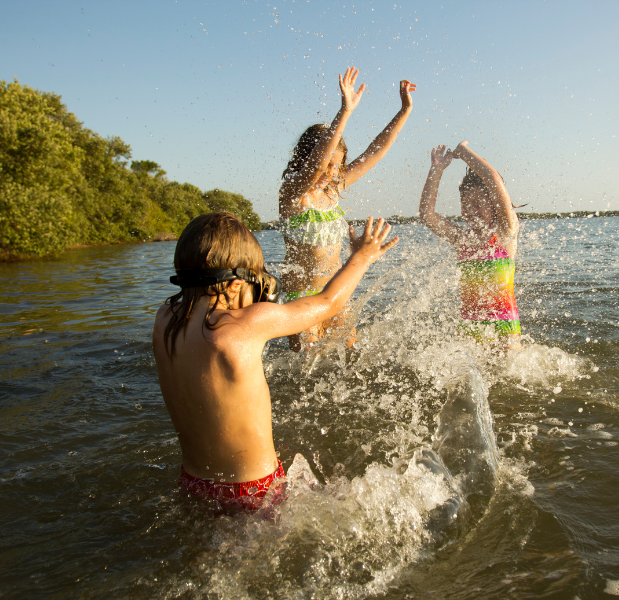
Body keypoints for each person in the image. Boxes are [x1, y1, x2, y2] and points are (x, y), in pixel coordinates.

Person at [152, 211, 398, 511]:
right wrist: (362, 256)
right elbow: (327, 303)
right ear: (233, 284)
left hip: (194, 483)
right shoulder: (242, 325)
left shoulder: (164, 320)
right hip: (254, 489)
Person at [279, 66, 415, 351]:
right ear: (306, 159)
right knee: (308, 367)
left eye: (337, 165)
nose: (331, 172)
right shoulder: (292, 193)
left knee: (351, 358)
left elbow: (374, 153)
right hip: (300, 297)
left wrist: (403, 111)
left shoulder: (333, 189)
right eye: (327, 164)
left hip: (335, 293)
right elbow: (316, 166)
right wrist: (345, 111)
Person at [419, 142, 521, 350]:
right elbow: (427, 215)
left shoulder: (504, 233)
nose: (470, 210)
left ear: (494, 203)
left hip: (505, 331)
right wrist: (436, 169)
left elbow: (493, 180)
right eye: (465, 204)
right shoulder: (461, 239)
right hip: (470, 328)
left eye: (477, 203)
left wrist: (464, 152)